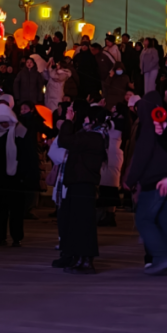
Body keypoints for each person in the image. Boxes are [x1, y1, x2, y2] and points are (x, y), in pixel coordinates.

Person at [124, 91, 167, 274]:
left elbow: (142, 155)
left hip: (154, 181)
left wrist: (130, 179)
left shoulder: (148, 127)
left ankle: (161, 257)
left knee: (144, 219)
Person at [54, 103, 108, 274]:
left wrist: (68, 121)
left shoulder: (95, 137)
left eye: (86, 117)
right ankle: (78, 257)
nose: (83, 120)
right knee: (76, 222)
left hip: (83, 183)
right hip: (78, 182)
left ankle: (86, 259)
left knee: (83, 223)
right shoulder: (91, 136)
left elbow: (65, 141)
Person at [0, 101, 27, 247]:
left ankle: (17, 237)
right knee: (0, 210)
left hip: (15, 178)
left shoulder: (19, 132)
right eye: (1, 122)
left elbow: (26, 155)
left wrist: (24, 176)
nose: (4, 124)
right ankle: (0, 237)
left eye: (6, 121)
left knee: (16, 210)